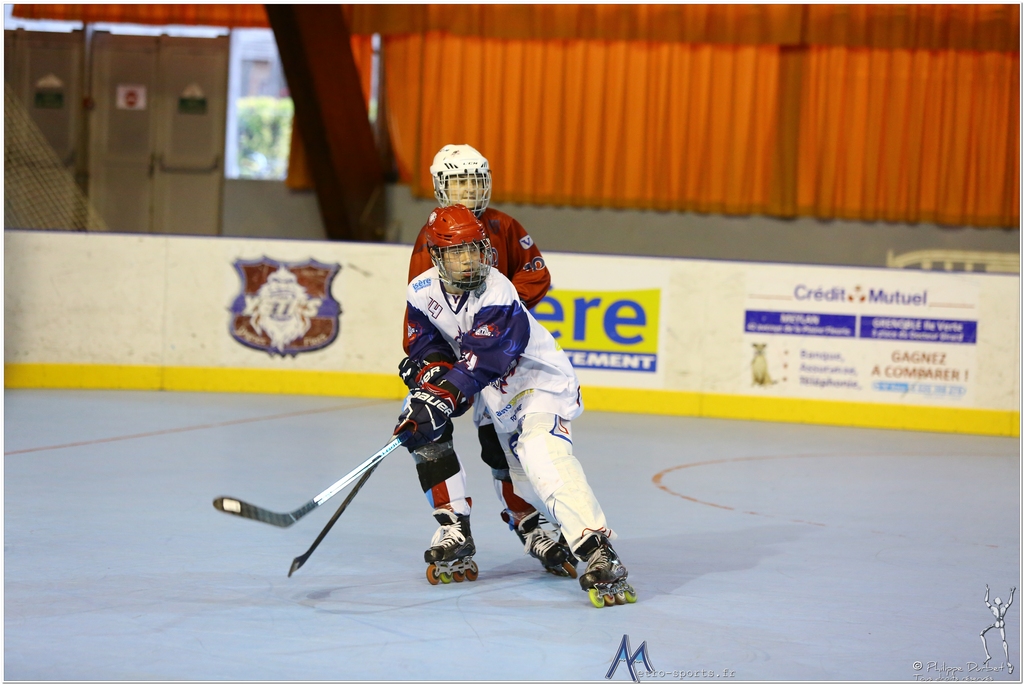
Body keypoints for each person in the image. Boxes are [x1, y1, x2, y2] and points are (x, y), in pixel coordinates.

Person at [395, 204, 635, 608]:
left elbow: (487, 357)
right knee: (430, 424)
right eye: (457, 252)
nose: (469, 260)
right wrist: (429, 374)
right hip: (493, 392)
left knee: (542, 454)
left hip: (537, 383)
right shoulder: (420, 292)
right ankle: (457, 526)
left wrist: (444, 392)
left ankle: (597, 549)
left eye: (475, 249)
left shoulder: (498, 290)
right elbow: (425, 343)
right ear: (436, 256)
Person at [399, 144, 574, 577]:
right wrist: (430, 364)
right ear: (441, 187)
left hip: (500, 352)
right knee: (425, 423)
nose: (468, 190)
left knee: (504, 443)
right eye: (458, 182)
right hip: (455, 356)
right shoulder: (432, 236)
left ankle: (529, 521)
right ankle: (452, 525)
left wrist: (494, 316)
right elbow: (425, 304)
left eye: (474, 181)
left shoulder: (503, 225)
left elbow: (536, 275)